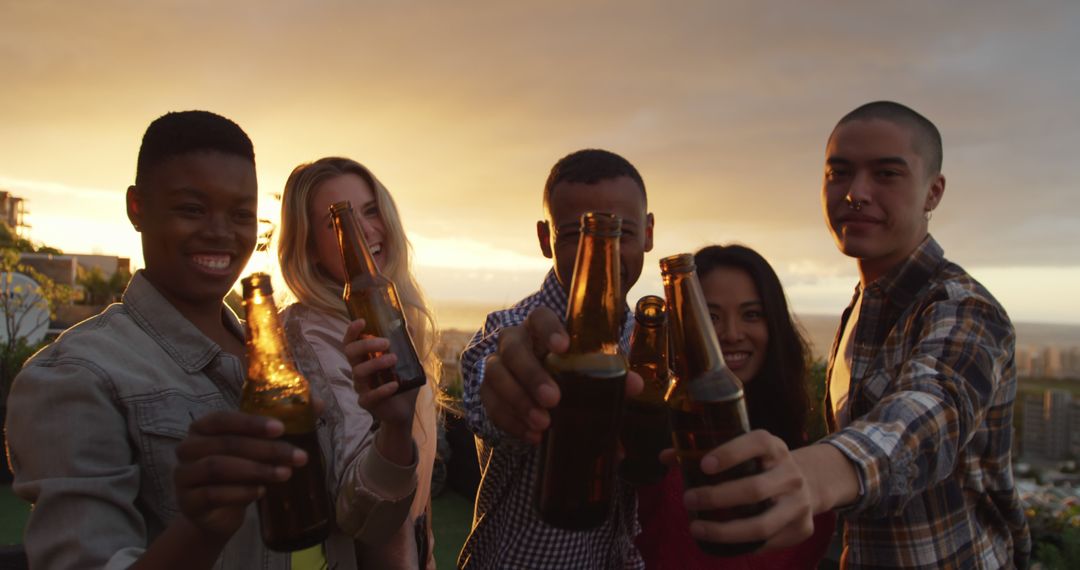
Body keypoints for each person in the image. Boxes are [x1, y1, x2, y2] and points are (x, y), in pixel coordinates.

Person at [682, 101, 1031, 569]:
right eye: (839, 173)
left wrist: (813, 476)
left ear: (934, 191)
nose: (856, 193)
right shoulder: (862, 307)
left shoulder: (964, 307)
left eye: (886, 175)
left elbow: (928, 411)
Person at [5, 111, 356, 568]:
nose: (220, 232)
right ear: (137, 208)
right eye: (192, 208)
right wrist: (201, 530)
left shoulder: (283, 356)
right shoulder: (74, 376)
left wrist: (391, 422)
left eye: (241, 215)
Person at [457, 149, 653, 568]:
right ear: (546, 239)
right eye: (574, 236)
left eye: (623, 233)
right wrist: (513, 395)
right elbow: (486, 380)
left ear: (649, 234)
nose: (599, 252)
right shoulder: (513, 329)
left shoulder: (646, 341)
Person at [276, 156, 439, 569]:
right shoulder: (317, 335)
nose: (365, 231)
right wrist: (395, 429)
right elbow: (357, 509)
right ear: (309, 247)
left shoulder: (388, 320)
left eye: (371, 210)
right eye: (337, 223)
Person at [634, 244, 835, 569]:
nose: (731, 334)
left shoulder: (796, 449)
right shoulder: (655, 435)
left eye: (751, 314)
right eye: (710, 316)